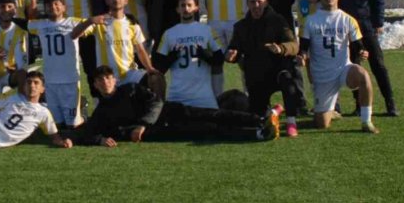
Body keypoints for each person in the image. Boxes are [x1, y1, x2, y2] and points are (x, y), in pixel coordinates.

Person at [76, 65, 279, 146]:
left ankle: (260, 120)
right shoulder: (102, 111)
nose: (105, 82)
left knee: (212, 114)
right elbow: (86, 133)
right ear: (95, 85)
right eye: (100, 80)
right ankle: (257, 134)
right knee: (210, 130)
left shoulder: (130, 88)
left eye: (108, 78)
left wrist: (143, 124)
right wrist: (100, 140)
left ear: (114, 79)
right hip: (162, 131)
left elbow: (155, 101)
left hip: (169, 112)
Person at [297, 0, 379, 133]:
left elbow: (358, 45)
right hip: (322, 75)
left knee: (363, 76)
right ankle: (328, 111)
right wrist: (301, 56)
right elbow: (303, 48)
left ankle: (366, 121)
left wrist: (362, 52)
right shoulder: (310, 21)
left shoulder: (348, 19)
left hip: (343, 69)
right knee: (321, 124)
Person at [331, 0, 398, 116]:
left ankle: (390, 104)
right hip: (345, 23)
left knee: (377, 63)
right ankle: (359, 105)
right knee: (352, 64)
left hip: (364, 21)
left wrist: (378, 21)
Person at [226, 0, 302, 137]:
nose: (256, 6)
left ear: (266, 2)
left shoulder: (278, 21)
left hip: (278, 70)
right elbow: (234, 49)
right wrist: (231, 55)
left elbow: (294, 45)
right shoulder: (240, 26)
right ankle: (275, 111)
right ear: (247, 4)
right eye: (252, 2)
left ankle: (291, 121)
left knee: (288, 82)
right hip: (255, 75)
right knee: (260, 119)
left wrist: (281, 48)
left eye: (259, 2)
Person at [71, 0, 161, 96]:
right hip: (107, 77)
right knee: (115, 104)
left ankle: (158, 107)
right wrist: (90, 21)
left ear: (126, 0)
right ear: (107, 1)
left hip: (129, 74)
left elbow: (140, 50)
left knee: (156, 79)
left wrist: (150, 68)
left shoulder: (132, 23)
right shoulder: (100, 21)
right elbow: (74, 35)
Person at [152, 0, 223, 110]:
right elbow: (159, 68)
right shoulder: (169, 33)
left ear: (196, 8)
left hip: (204, 98)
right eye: (183, 5)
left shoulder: (207, 30)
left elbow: (219, 60)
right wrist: (172, 57)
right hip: (177, 96)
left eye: (189, 5)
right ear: (177, 9)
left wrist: (205, 55)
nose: (186, 9)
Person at [28, 0, 85, 128]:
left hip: (70, 79)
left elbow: (89, 28)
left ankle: (83, 113)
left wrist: (91, 21)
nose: (53, 7)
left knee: (73, 124)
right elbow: (25, 22)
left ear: (64, 7)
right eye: (49, 5)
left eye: (56, 4)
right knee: (57, 122)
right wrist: (32, 0)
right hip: (50, 79)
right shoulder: (41, 24)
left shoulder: (73, 22)